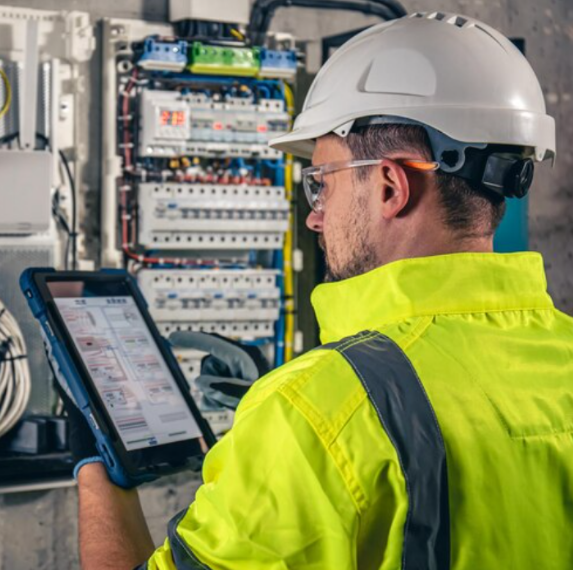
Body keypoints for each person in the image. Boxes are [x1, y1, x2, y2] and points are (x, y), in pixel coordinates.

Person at [69, 12, 573, 570]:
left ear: (389, 186)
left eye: (322, 183)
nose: (315, 218)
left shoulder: (309, 414)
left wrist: (95, 454)